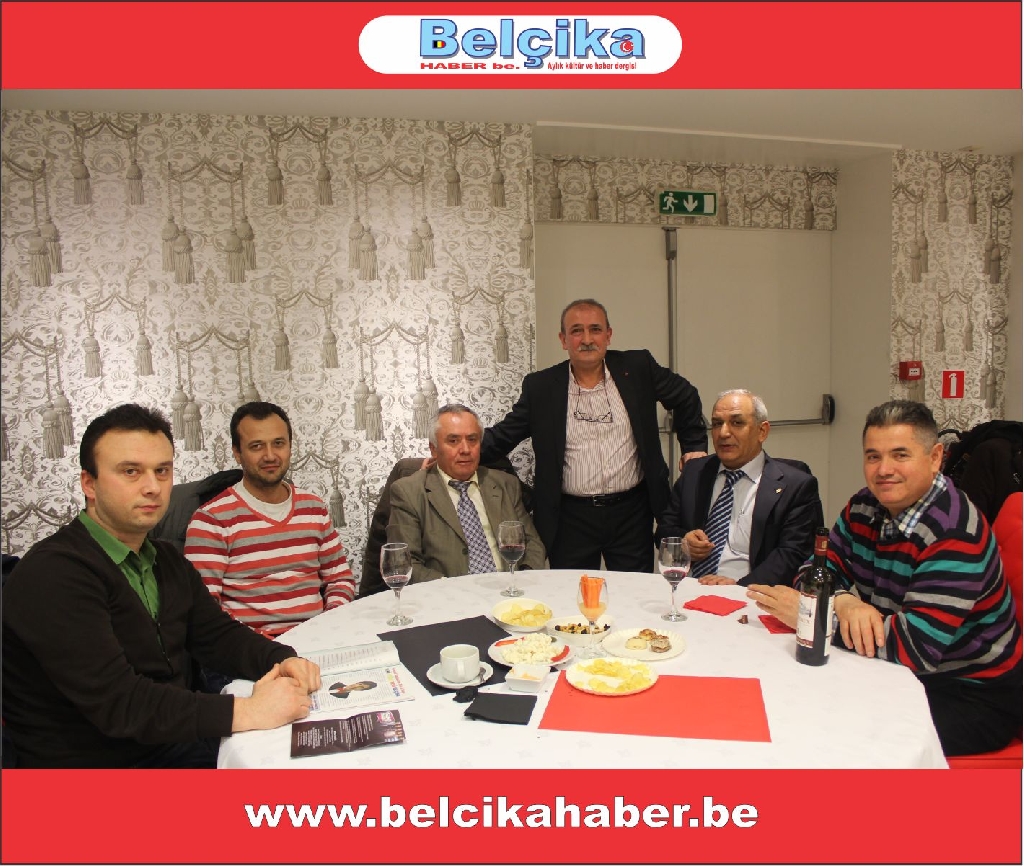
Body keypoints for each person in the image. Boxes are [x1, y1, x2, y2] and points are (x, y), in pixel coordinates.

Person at [1, 404, 320, 768]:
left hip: (173, 743)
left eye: (162, 471)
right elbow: (120, 704)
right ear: (89, 483)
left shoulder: (165, 558)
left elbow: (216, 636)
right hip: (93, 770)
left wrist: (282, 658)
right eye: (131, 472)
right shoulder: (53, 573)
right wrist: (249, 710)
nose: (152, 487)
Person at [748, 400, 1022, 757]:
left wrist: (813, 616)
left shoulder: (954, 531)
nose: (884, 470)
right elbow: (811, 572)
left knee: (837, 730)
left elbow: (913, 647)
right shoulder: (864, 506)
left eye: (900, 455)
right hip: (895, 669)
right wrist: (844, 602)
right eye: (873, 456)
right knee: (790, 692)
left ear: (935, 458)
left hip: (970, 693)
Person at [481, 298, 707, 572]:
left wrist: (694, 447)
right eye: (576, 331)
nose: (587, 339)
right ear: (563, 340)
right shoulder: (541, 387)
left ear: (608, 335)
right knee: (571, 591)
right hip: (570, 518)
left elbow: (686, 396)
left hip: (632, 512)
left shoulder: (637, 367)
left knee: (633, 590)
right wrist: (456, 452)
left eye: (595, 329)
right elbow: (503, 436)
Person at [185, 401, 355, 638]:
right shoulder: (211, 520)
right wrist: (259, 646)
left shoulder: (313, 507)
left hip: (318, 641)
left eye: (278, 444)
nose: (270, 455)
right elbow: (204, 609)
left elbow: (340, 579)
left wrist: (329, 623)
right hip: (249, 648)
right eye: (256, 446)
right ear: (237, 453)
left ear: (290, 446)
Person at [659, 389, 821, 586]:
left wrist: (738, 587)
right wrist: (684, 542)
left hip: (751, 592)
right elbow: (664, 530)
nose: (723, 433)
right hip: (689, 586)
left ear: (762, 431)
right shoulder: (695, 472)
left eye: (737, 423)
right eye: (717, 424)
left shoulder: (795, 485)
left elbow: (793, 555)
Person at [388, 403, 546, 582]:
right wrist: (455, 590)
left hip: (509, 590)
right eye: (453, 441)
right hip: (448, 594)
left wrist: (523, 581)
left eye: (472, 440)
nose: (465, 449)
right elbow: (407, 563)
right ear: (434, 449)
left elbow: (533, 544)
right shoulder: (409, 492)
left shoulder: (505, 484)